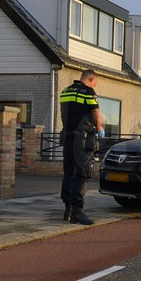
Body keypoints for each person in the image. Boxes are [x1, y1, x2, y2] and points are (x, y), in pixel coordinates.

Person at [60, 69, 104, 225]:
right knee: (83, 172)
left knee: (69, 172)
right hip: (82, 139)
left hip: (67, 138)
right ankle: (78, 211)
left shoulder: (65, 91)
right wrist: (99, 129)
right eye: (95, 83)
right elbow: (97, 116)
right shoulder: (88, 92)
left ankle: (68, 209)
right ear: (91, 79)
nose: (95, 86)